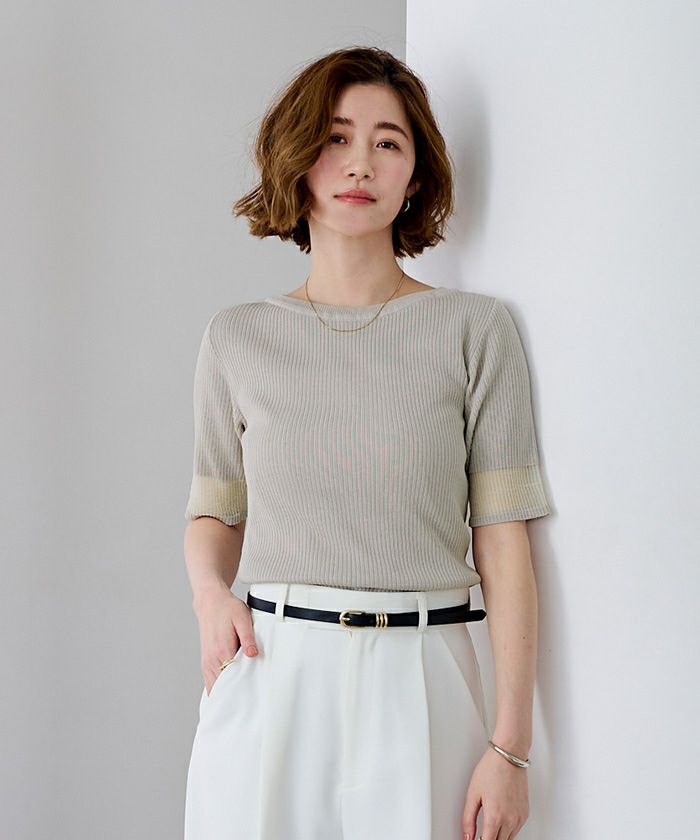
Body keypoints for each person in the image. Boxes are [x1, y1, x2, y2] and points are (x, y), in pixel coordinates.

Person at [182, 45, 552, 840]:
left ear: (415, 176)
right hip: (272, 674)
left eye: (388, 142)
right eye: (336, 137)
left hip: (424, 674)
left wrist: (510, 746)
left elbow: (504, 541)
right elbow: (215, 509)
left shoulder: (473, 330)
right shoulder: (237, 338)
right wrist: (211, 594)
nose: (361, 164)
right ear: (297, 157)